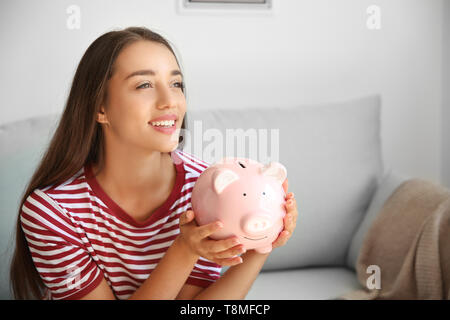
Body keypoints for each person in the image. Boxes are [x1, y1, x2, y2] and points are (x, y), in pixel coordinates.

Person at [9, 26, 298, 300]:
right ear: (100, 107)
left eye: (176, 83)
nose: (170, 101)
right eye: (144, 84)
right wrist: (184, 249)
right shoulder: (51, 212)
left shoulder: (205, 187)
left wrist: (265, 242)